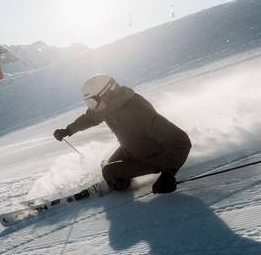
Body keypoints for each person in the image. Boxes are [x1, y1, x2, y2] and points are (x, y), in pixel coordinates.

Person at [54, 74, 191, 194]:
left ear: (108, 93)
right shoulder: (106, 107)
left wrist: (168, 175)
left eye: (93, 102)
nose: (92, 107)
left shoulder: (138, 110)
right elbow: (90, 118)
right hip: (131, 149)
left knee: (109, 173)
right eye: (89, 103)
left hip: (153, 157)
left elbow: (181, 142)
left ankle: (120, 182)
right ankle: (118, 174)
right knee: (106, 166)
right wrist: (68, 130)